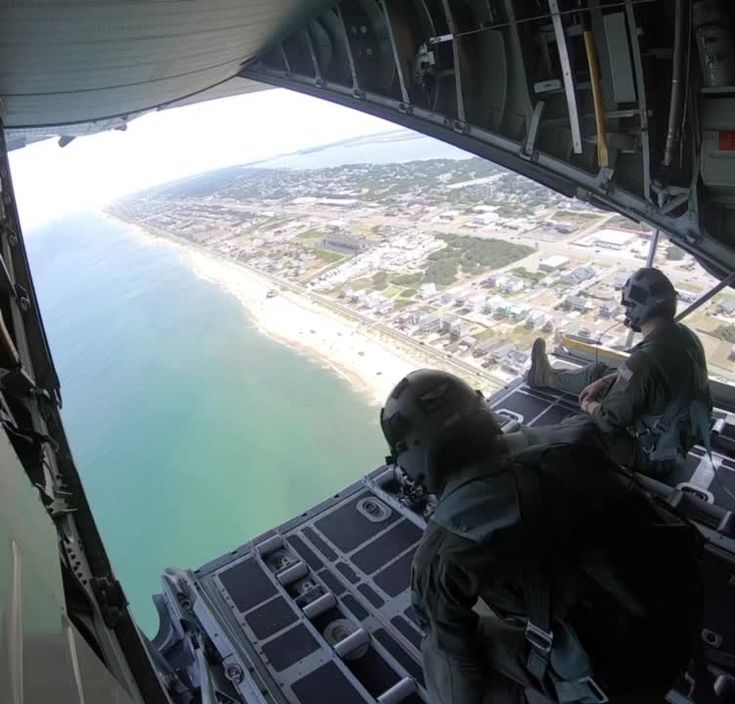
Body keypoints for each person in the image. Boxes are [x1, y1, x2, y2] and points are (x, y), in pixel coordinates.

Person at [380, 369, 701, 704]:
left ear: (413, 452)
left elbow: (454, 670)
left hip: (621, 681)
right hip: (680, 628)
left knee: (452, 640)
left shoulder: (445, 549)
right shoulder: (574, 435)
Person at [526, 267, 712, 475]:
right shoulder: (685, 336)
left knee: (581, 426)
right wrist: (608, 380)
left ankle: (526, 453)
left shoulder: (644, 361)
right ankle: (545, 377)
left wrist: (589, 406)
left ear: (640, 308)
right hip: (676, 436)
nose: (627, 311)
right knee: (602, 373)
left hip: (654, 455)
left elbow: (608, 421)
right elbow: (655, 376)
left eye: (629, 305)